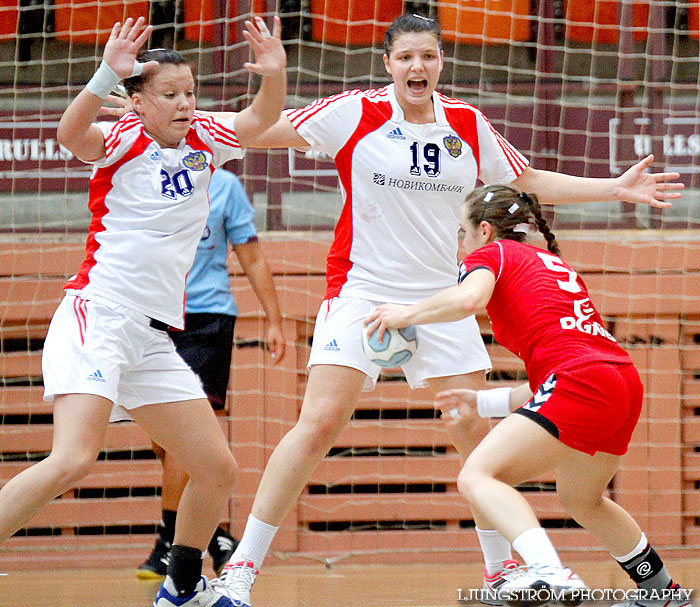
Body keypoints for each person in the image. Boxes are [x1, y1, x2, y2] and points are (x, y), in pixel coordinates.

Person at [211, 13, 683, 607]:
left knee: (468, 429)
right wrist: (172, 121)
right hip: (363, 289)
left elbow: (526, 179)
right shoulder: (353, 113)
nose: (418, 67)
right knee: (319, 424)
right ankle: (241, 572)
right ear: (388, 63)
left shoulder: (466, 121)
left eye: (428, 56)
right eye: (406, 56)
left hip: (444, 294)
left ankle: (502, 572)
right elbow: (257, 130)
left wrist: (613, 188)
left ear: (441, 61)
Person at [0, 15, 286, 607]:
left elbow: (259, 121)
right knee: (73, 457)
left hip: (152, 336)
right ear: (137, 100)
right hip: (98, 317)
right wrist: (107, 72)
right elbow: (69, 135)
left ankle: (181, 585)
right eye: (169, 95)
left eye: (189, 93)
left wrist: (275, 75)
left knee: (216, 469)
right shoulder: (124, 137)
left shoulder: (205, 136)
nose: (184, 104)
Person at [364, 184, 691, 607]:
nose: (461, 244)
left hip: (582, 381)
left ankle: (551, 573)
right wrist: (483, 402)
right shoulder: (550, 263)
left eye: (462, 233)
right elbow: (552, 376)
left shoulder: (490, 255)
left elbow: (469, 299)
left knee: (478, 476)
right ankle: (662, 593)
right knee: (581, 498)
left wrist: (404, 313)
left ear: (484, 231)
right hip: (619, 380)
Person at [137, 167, 287, 580]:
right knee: (165, 441)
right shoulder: (141, 174)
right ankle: (216, 536)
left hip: (207, 318)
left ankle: (170, 543)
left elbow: (251, 255)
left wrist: (274, 319)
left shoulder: (225, 186)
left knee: (186, 440)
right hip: (151, 315)